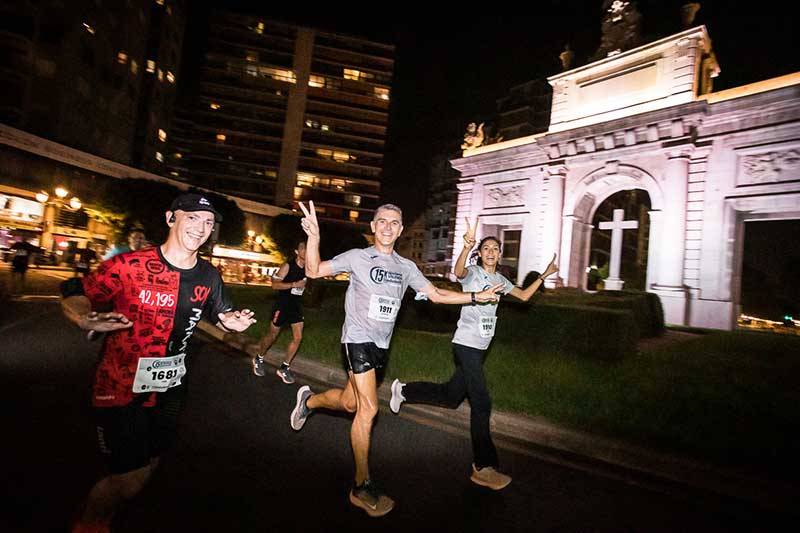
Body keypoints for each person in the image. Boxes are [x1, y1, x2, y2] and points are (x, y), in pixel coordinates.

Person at [290, 201, 503, 518]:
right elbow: (313, 270)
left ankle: (309, 402)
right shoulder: (357, 257)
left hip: (381, 347)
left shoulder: (406, 267)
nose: (388, 226)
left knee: (350, 404)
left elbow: (438, 295)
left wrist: (476, 297)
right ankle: (361, 486)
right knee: (369, 408)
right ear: (374, 227)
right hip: (356, 339)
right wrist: (315, 237)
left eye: (395, 222)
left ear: (401, 230)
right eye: (382, 221)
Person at [61, 193, 256, 533]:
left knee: (151, 462)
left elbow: (221, 314)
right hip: (120, 386)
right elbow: (76, 290)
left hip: (170, 388)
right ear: (171, 218)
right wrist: (83, 318)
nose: (201, 227)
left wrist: (232, 321)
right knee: (129, 478)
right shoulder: (130, 265)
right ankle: (89, 522)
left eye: (208, 223)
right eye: (193, 218)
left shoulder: (209, 275)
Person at [389, 218, 558, 490]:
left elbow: (524, 296)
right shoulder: (473, 272)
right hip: (465, 343)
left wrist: (543, 275)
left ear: (500, 254)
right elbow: (457, 272)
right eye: (487, 248)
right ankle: (483, 466)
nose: (491, 252)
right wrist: (466, 247)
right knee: (482, 402)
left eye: (495, 249)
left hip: (481, 347)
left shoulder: (501, 279)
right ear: (481, 254)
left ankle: (405, 391)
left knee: (451, 395)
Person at [252, 240, 307, 384]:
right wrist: (294, 284)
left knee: (298, 337)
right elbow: (274, 284)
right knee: (272, 335)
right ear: (297, 252)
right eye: (303, 249)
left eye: (308, 249)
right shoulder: (287, 266)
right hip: (282, 305)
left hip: (295, 306)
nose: (307, 252)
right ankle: (258, 357)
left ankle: (284, 367)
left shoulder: (308, 268)